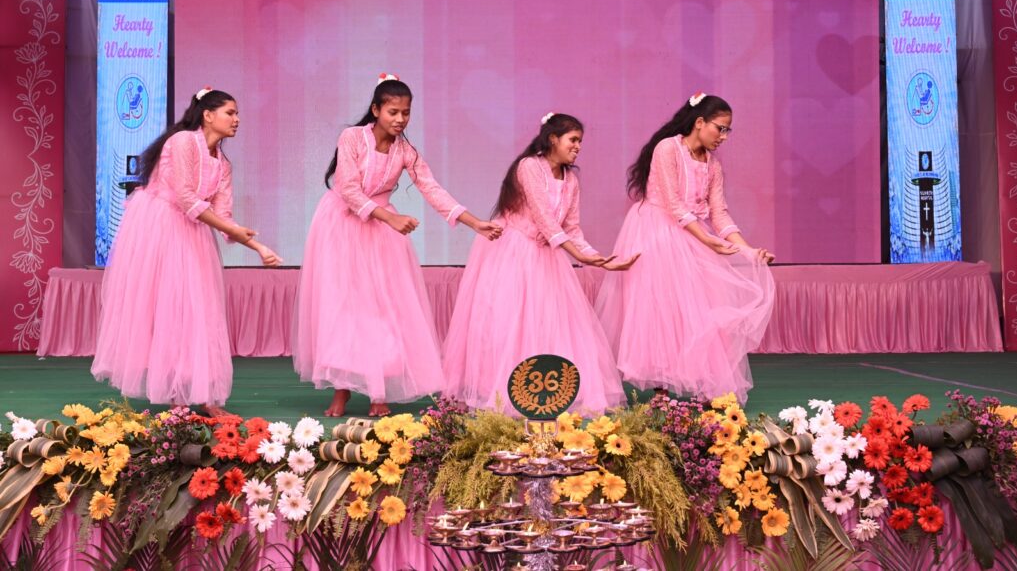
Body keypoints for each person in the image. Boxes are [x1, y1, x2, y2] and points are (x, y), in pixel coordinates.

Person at [294, 75, 502, 417]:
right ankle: (342, 390)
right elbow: (348, 189)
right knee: (344, 309)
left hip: (380, 232)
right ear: (376, 110)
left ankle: (379, 391)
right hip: (341, 226)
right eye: (393, 111)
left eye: (406, 113)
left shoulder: (405, 151)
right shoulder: (352, 137)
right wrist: (389, 219)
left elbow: (432, 190)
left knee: (383, 310)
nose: (400, 119)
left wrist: (474, 222)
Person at [93, 87, 282, 415]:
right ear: (208, 115)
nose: (237, 120)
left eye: (237, 114)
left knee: (201, 312)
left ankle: (206, 397)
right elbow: (184, 197)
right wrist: (239, 234)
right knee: (172, 310)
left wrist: (257, 246)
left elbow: (223, 217)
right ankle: (177, 397)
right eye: (230, 113)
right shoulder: (183, 142)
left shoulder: (222, 164)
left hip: (193, 233)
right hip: (162, 229)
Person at [443, 112, 635, 415]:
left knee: (550, 324)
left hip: (548, 255)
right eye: (573, 140)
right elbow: (544, 218)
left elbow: (571, 228)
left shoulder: (570, 180)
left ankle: (546, 393)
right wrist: (579, 256)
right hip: (514, 252)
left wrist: (597, 258)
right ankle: (502, 394)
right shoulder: (529, 166)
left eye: (580, 141)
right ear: (553, 139)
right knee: (510, 324)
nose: (578, 147)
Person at [596, 92, 775, 404]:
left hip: (691, 234)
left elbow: (719, 214)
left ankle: (706, 387)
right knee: (659, 309)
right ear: (700, 122)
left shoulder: (713, 165)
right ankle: (661, 390)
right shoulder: (668, 148)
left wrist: (749, 251)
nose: (724, 136)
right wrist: (706, 239)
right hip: (656, 233)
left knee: (703, 310)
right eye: (720, 128)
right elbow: (673, 204)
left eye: (728, 130)